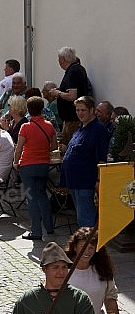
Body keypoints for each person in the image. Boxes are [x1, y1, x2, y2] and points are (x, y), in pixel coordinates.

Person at [6, 242, 96, 314]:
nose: (61, 272)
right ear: (44, 269)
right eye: (55, 267)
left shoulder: (80, 299)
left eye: (64, 267)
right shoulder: (27, 301)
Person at [64, 227, 124, 314]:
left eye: (91, 248)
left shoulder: (102, 271)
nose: (87, 252)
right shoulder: (62, 270)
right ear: (75, 247)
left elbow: (110, 300)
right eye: (83, 247)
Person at [60, 96, 109, 227]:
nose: (80, 113)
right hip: (74, 181)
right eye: (77, 110)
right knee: (81, 217)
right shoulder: (80, 127)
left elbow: (101, 158)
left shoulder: (98, 130)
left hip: (86, 181)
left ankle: (89, 246)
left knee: (86, 219)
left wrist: (98, 180)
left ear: (92, 110)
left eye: (83, 110)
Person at [13, 97, 57, 240]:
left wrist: (15, 162)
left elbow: (19, 148)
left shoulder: (25, 127)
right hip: (43, 164)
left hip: (27, 164)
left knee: (31, 198)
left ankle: (36, 231)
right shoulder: (49, 125)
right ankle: (49, 227)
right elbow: (54, 146)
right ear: (42, 109)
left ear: (28, 109)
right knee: (43, 195)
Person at [50, 46, 90, 145]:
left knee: (69, 146)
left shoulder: (73, 71)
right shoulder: (77, 69)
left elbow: (72, 96)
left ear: (62, 59)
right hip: (71, 118)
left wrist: (57, 93)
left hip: (73, 119)